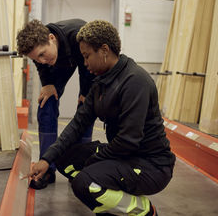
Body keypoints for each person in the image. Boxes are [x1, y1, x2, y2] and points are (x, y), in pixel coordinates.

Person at [26, 20, 175, 216]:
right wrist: (46, 159)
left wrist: (93, 164)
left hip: (150, 165)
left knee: (84, 183)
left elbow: (128, 141)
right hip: (125, 156)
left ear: (104, 50)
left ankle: (143, 210)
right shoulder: (100, 83)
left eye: (87, 56)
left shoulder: (135, 82)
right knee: (63, 158)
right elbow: (78, 124)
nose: (84, 63)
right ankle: (107, 198)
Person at [16, 19, 95, 189]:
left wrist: (85, 92)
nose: (42, 60)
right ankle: (47, 168)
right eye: (37, 58)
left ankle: (78, 168)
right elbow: (41, 64)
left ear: (51, 38)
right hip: (60, 61)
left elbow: (88, 67)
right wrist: (47, 83)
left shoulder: (78, 36)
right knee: (46, 102)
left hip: (86, 64)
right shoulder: (41, 53)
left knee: (87, 109)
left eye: (43, 54)